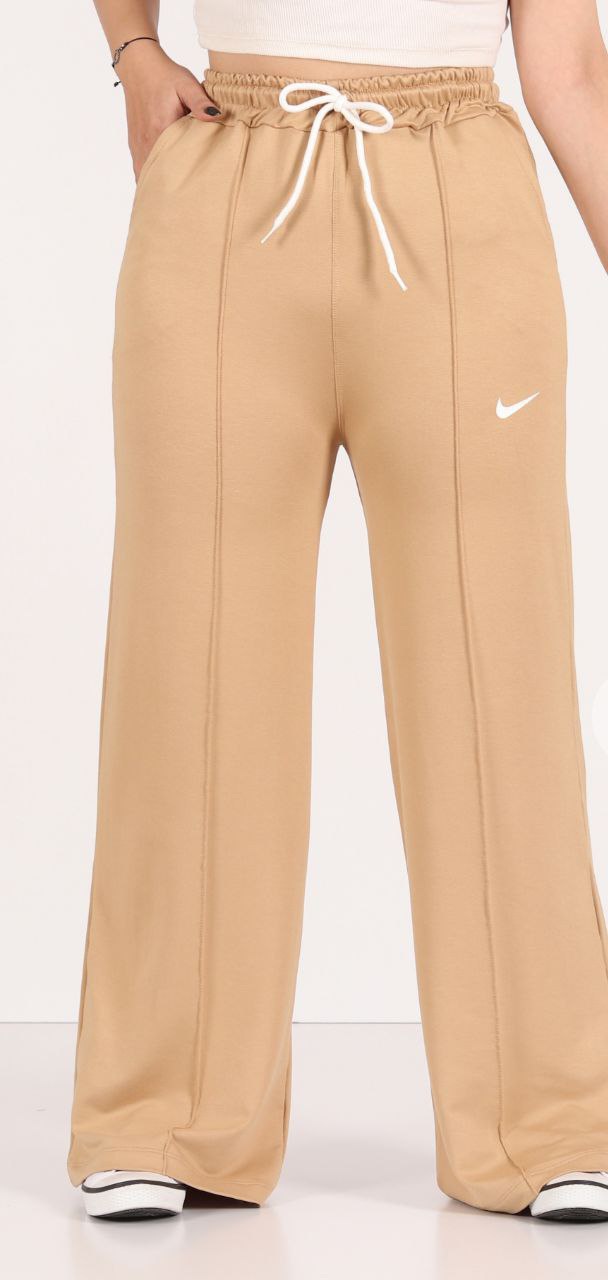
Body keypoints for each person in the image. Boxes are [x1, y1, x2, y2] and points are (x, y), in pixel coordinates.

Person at [67, 0, 608, 1224]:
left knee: (499, 674)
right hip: (226, 184)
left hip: (460, 203)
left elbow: (569, 66)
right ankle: (162, 1113)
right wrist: (134, 52)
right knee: (190, 665)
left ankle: (548, 1119)